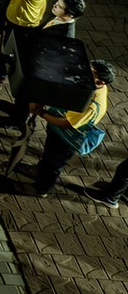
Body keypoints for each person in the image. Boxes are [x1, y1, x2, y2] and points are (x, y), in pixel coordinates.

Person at [31, 59, 114, 196]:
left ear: (100, 82)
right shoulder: (91, 85)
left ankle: (41, 189)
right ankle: (40, 170)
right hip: (57, 130)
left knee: (53, 164)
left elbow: (66, 124)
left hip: (65, 139)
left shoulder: (91, 106)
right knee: (48, 156)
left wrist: (41, 113)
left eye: (90, 72)